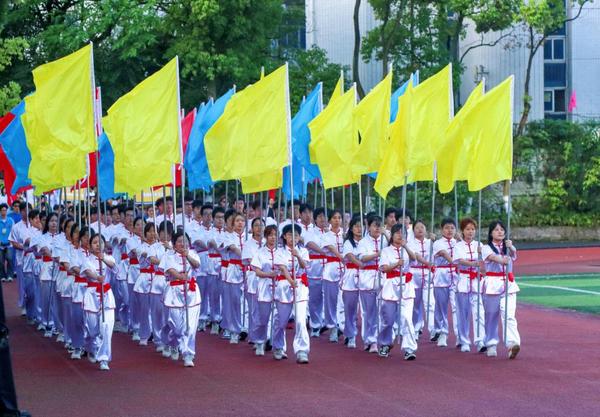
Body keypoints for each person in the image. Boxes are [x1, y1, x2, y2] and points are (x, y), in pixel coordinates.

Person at [160, 230, 201, 367]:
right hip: (174, 293)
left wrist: (187, 255)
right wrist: (179, 276)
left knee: (190, 326)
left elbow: (197, 265)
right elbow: (170, 270)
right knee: (177, 327)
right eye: (179, 241)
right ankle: (172, 343)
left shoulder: (193, 254)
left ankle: (188, 354)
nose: (182, 243)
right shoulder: (168, 255)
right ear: (174, 243)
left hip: (191, 293)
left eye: (185, 241)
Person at [481, 220, 520, 359]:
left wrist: (511, 248)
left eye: (502, 229)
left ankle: (512, 343)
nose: (500, 232)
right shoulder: (486, 248)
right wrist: (501, 258)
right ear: (491, 233)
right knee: (491, 316)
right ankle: (491, 344)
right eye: (497, 230)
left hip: (508, 283)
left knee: (509, 315)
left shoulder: (508, 246)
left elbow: (513, 257)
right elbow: (493, 258)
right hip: (492, 283)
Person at [378, 224, 417, 360]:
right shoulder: (386, 251)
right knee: (388, 320)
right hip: (390, 286)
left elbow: (414, 259)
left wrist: (405, 246)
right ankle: (385, 344)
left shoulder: (407, 249)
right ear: (392, 235)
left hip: (406, 286)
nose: (400, 235)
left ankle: (409, 348)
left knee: (407, 318)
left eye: (403, 233)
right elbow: (383, 268)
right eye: (397, 233)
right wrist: (396, 264)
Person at [273, 224, 310, 364]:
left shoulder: (303, 251)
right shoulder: (279, 252)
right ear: (284, 236)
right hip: (284, 286)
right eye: (289, 235)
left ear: (299, 237)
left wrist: (298, 255)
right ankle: (278, 347)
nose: (292, 238)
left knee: (301, 319)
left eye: (295, 235)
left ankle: (302, 350)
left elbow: (304, 266)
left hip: (300, 286)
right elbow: (282, 269)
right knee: (281, 320)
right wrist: (290, 280)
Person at [81, 233, 117, 371]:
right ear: (90, 246)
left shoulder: (108, 258)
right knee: (92, 330)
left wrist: (104, 259)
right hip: (92, 296)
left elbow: (114, 266)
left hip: (106, 295)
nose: (98, 245)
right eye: (95, 242)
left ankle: (104, 358)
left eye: (100, 242)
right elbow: (88, 273)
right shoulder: (86, 260)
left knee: (106, 328)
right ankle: (91, 347)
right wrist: (97, 276)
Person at [453, 218, 486, 353]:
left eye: (472, 229)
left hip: (477, 281)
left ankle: (480, 340)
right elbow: (460, 260)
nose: (470, 232)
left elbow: (485, 262)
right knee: (464, 313)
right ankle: (464, 340)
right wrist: (473, 264)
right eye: (467, 229)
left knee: (479, 312)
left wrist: (481, 257)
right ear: (463, 231)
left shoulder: (480, 245)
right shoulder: (458, 246)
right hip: (463, 279)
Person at [357, 215, 386, 353]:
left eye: (380, 225)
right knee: (369, 311)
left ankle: (378, 339)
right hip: (367, 278)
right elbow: (362, 258)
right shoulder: (363, 242)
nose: (377, 228)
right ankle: (370, 339)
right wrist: (378, 254)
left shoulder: (385, 240)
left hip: (382, 278)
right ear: (368, 226)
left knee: (382, 311)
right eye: (375, 225)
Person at [250, 225, 278, 356]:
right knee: (263, 316)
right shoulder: (260, 253)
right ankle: (260, 341)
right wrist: (268, 274)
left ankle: (274, 341)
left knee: (277, 316)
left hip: (279, 287)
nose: (273, 238)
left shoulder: (281, 252)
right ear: (266, 237)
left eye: (275, 235)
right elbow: (257, 271)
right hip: (264, 286)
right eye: (270, 235)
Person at [431, 218, 457, 348]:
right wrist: (454, 261)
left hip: (455, 276)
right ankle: (441, 331)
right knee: (441, 306)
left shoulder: (458, 242)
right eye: (447, 228)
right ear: (441, 229)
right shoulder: (437, 243)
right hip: (441, 276)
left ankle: (456, 334)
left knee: (456, 306)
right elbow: (443, 253)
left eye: (452, 228)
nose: (450, 230)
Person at [303, 207, 328, 337]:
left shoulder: (333, 233)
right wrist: (324, 251)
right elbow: (310, 244)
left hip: (330, 267)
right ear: (315, 219)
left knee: (330, 297)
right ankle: (315, 325)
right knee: (315, 298)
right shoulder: (310, 232)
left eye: (325, 216)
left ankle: (328, 322)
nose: (323, 219)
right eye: (320, 216)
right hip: (315, 267)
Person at [407, 220, 434, 337]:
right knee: (416, 303)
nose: (420, 229)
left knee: (430, 302)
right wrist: (427, 262)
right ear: (413, 230)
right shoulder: (410, 243)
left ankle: (433, 329)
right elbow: (416, 256)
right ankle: (416, 328)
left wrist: (433, 241)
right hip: (415, 272)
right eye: (417, 227)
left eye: (422, 227)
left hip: (428, 273)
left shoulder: (430, 242)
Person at [222, 212, 246, 344]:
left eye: (242, 220)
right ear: (233, 223)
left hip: (248, 270)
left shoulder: (250, 237)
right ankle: (234, 330)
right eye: (237, 221)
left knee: (247, 301)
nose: (240, 223)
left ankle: (246, 327)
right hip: (234, 269)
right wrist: (247, 257)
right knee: (234, 301)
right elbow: (233, 248)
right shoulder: (228, 236)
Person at [321, 209, 344, 342]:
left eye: (339, 217)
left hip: (345, 269)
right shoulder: (326, 235)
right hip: (331, 269)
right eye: (334, 218)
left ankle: (342, 325)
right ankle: (332, 326)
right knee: (331, 300)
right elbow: (330, 248)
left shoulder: (346, 235)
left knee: (343, 299)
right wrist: (341, 256)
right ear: (330, 220)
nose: (337, 220)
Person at [242, 217, 265, 345]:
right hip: (253, 277)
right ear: (252, 228)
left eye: (261, 225)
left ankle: (265, 335)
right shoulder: (248, 244)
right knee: (254, 309)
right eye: (256, 225)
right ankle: (254, 335)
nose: (259, 228)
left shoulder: (269, 242)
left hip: (267, 279)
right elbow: (252, 262)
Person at [341, 216, 362, 349]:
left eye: (361, 226)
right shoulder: (348, 242)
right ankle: (351, 334)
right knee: (350, 307)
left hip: (366, 276)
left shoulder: (368, 242)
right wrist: (361, 263)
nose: (359, 229)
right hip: (351, 276)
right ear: (351, 228)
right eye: (356, 226)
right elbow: (350, 256)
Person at [9, 202, 31, 313]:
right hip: (21, 259)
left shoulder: (35, 226)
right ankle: (23, 305)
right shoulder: (16, 227)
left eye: (29, 210)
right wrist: (25, 246)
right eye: (26, 210)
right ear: (22, 211)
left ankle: (33, 305)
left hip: (33, 260)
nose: (28, 212)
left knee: (33, 284)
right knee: (22, 283)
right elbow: (13, 242)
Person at [0, 203, 15, 282]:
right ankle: (2, 276)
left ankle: (10, 275)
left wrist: (10, 240)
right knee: (1, 261)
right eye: (2, 210)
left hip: (9, 244)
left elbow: (13, 231)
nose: (4, 212)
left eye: (5, 210)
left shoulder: (11, 220)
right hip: (0, 244)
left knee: (9, 259)